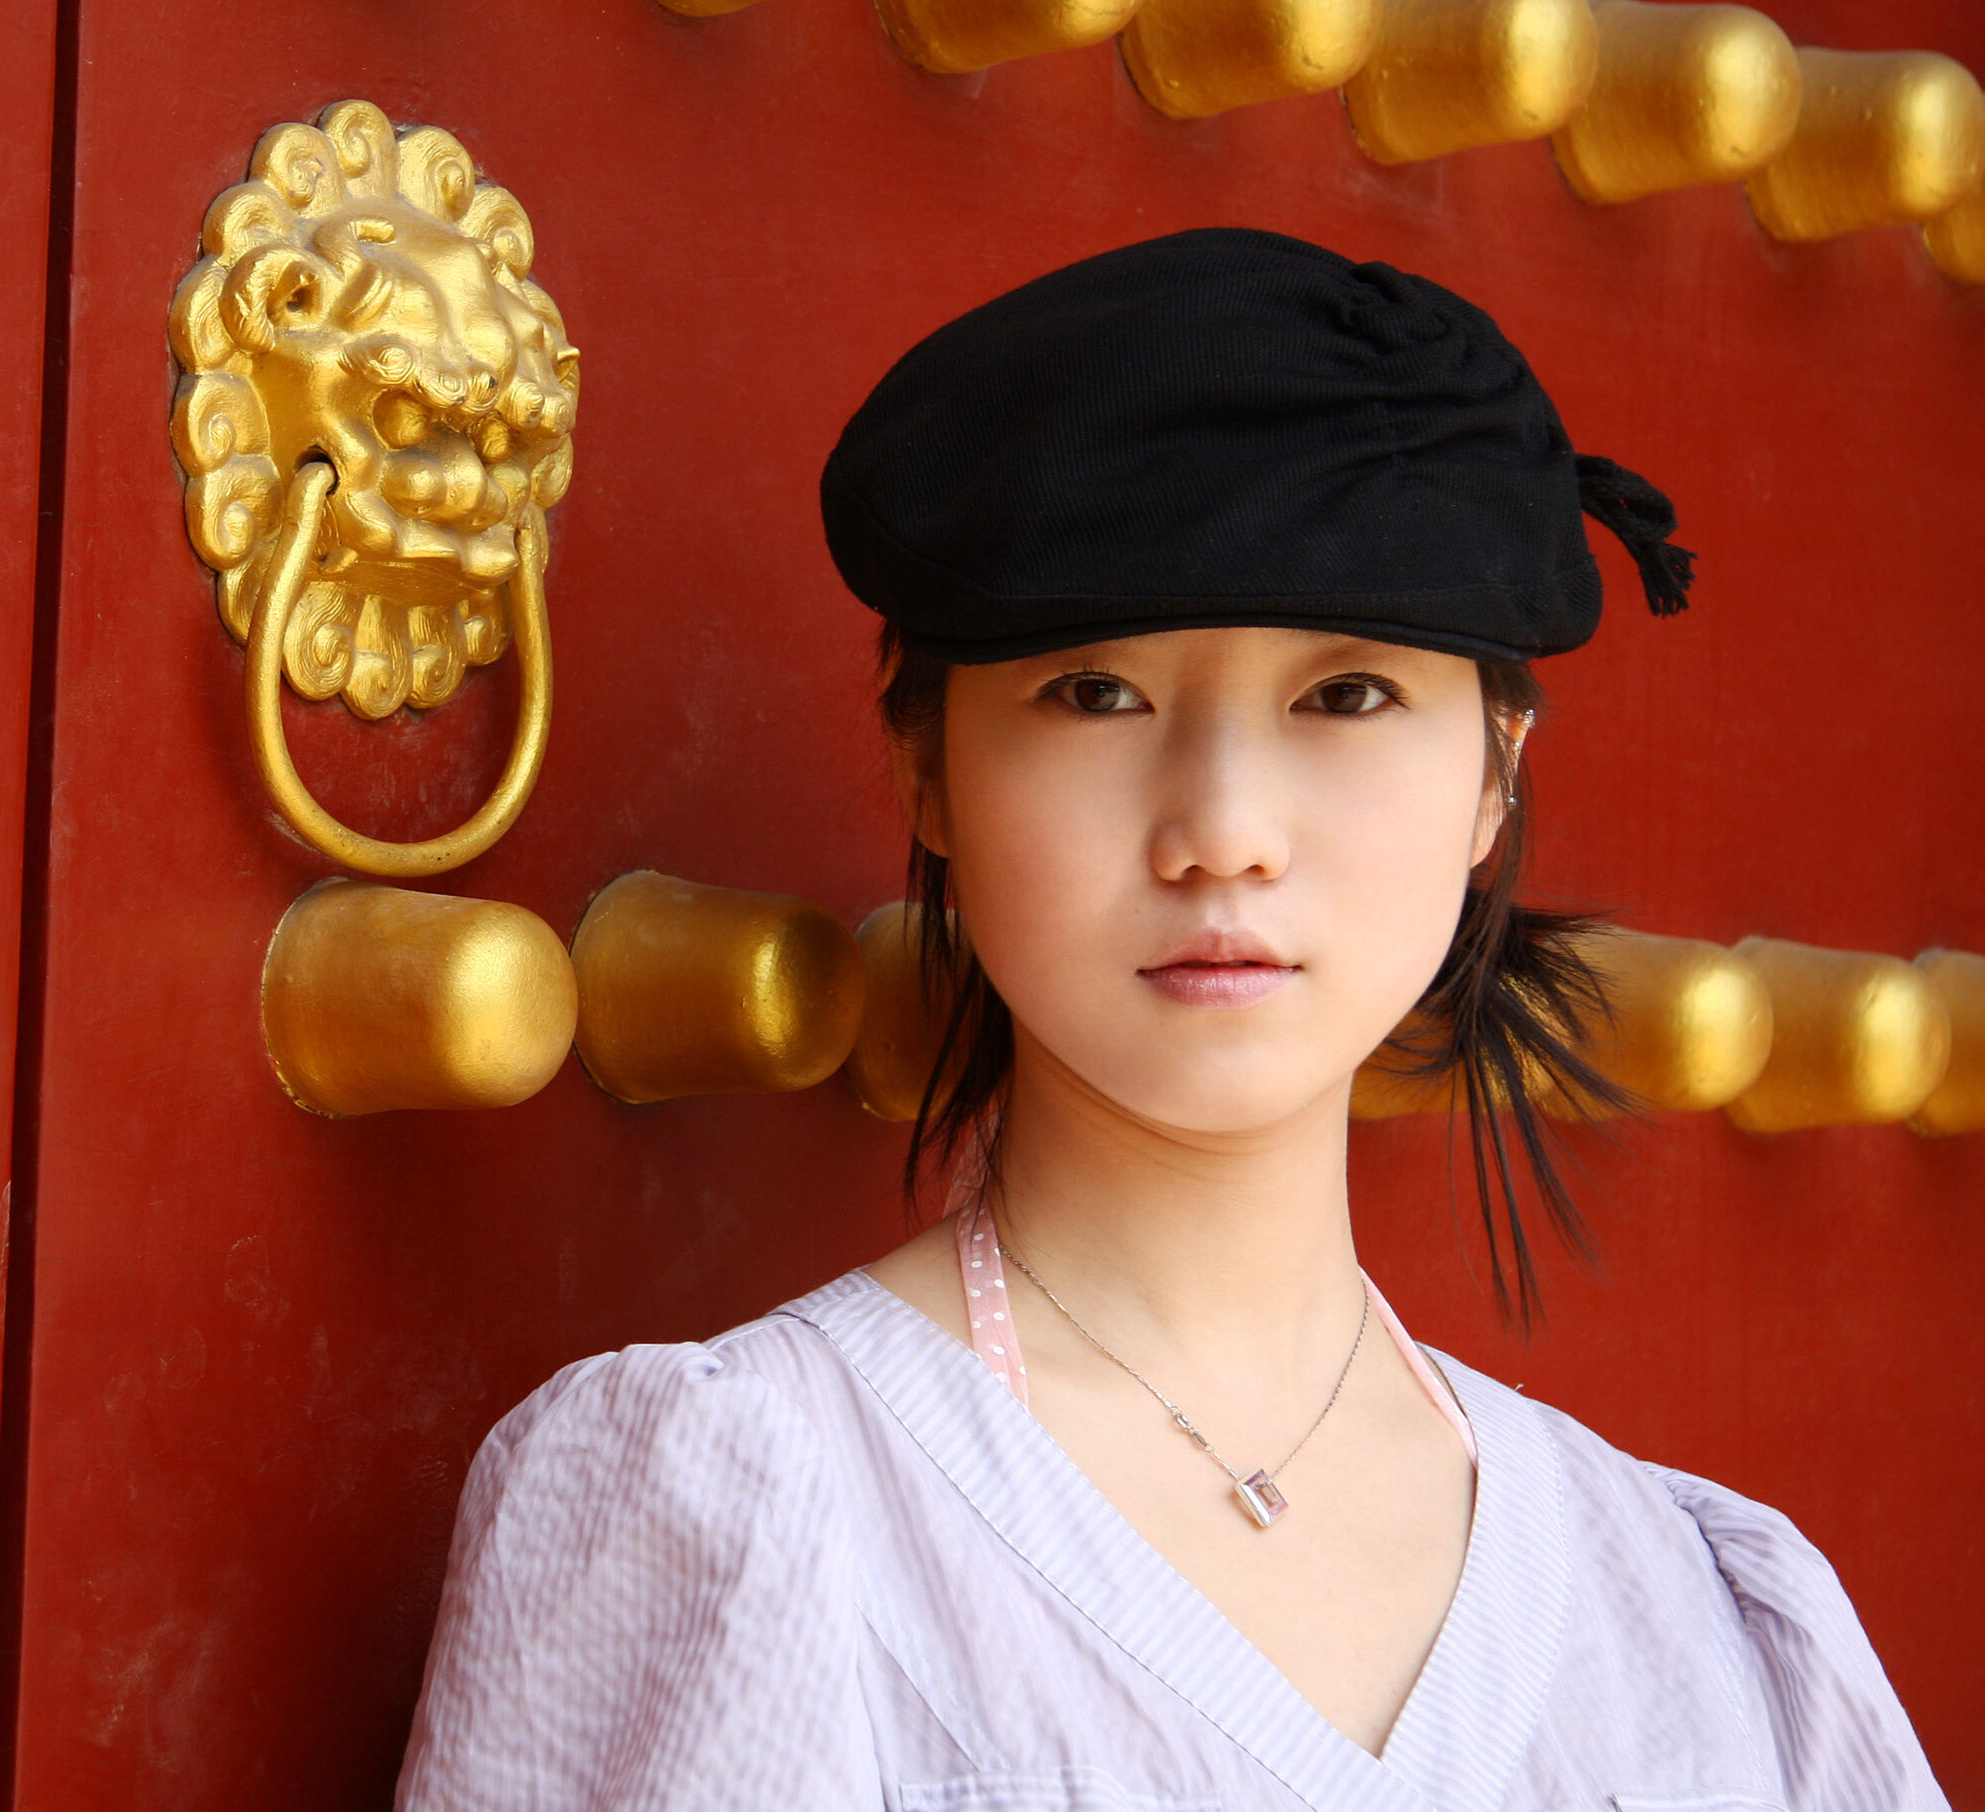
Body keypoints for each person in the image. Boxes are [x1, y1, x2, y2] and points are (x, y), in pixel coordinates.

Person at [392, 228, 1944, 1811]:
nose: (1223, 831)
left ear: (1497, 773)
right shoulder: (750, 1511)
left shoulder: (1695, 1614)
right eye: (1096, 693)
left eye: (1346, 695)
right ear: (927, 768)